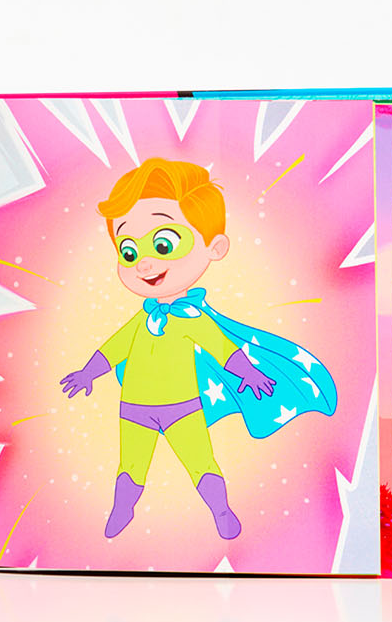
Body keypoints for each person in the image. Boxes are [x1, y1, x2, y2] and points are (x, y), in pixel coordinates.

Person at [60, 159, 335, 541]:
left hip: (183, 409)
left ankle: (221, 510)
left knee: (201, 463)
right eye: (128, 251)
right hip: (134, 408)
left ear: (214, 247)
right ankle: (123, 507)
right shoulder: (143, 318)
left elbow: (223, 349)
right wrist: (88, 373)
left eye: (163, 244)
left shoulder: (192, 317)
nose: (144, 263)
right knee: (130, 466)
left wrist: (249, 373)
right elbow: (113, 349)